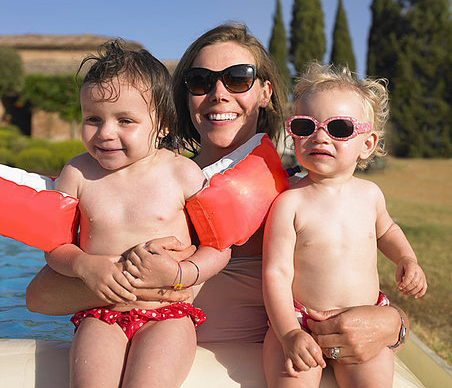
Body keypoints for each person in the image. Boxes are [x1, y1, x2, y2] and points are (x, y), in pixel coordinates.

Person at [26, 24, 411, 383]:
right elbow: (39, 296)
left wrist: (394, 324)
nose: (219, 93)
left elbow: (351, 279)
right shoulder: (144, 188)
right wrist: (137, 276)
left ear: (265, 92)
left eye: (238, 78)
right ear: (183, 97)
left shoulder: (299, 195)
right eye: (200, 81)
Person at [44, 39, 230, 388]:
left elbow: (220, 246)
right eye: (93, 119)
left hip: (169, 315)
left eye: (125, 120)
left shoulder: (182, 175)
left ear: (162, 125)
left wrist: (183, 273)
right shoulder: (78, 174)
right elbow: (54, 247)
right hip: (101, 314)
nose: (106, 133)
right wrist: (84, 265)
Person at [263, 62, 427, 388]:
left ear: (367, 144)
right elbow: (275, 273)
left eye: (338, 128)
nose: (319, 136)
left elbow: (387, 231)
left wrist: (407, 259)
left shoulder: (370, 195)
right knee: (290, 378)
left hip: (365, 317)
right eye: (305, 126)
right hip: (302, 319)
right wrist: (289, 333)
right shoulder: (289, 203)